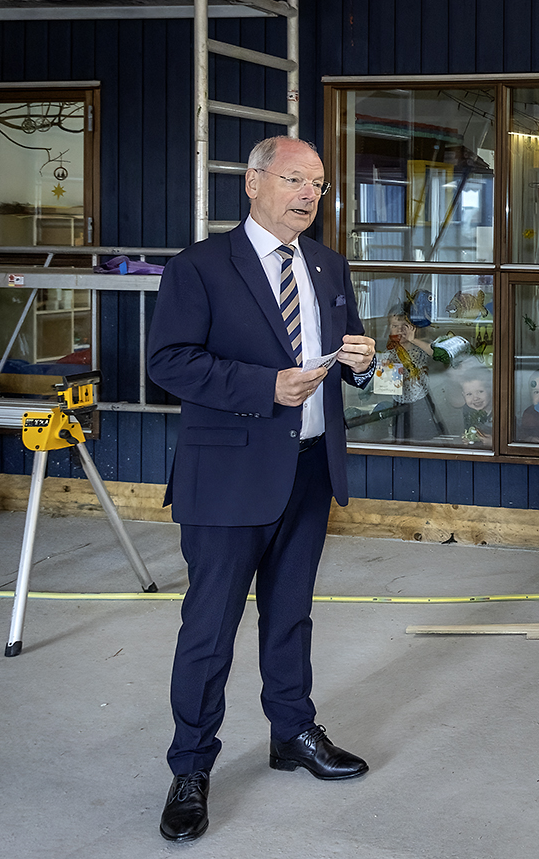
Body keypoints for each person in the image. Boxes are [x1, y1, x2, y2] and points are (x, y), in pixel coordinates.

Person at [146, 136, 378, 842]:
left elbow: (350, 351)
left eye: (319, 185)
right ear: (253, 183)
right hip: (226, 475)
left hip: (308, 468)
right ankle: (190, 768)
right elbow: (170, 362)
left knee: (291, 616)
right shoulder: (200, 267)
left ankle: (292, 734)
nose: (308, 194)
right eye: (294, 179)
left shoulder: (328, 265)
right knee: (210, 629)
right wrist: (263, 387)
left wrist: (363, 363)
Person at [378, 306, 440, 442]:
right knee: (400, 439)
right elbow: (385, 384)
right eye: (395, 326)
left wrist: (413, 340)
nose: (400, 330)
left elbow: (437, 353)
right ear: (389, 328)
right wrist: (383, 371)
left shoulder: (421, 346)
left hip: (421, 401)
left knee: (424, 438)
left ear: (413, 327)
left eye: (405, 326)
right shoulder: (389, 352)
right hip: (398, 402)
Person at [459, 368, 494, 446]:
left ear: (491, 390)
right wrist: (468, 438)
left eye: (480, 391)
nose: (475, 398)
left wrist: (495, 443)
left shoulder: (501, 409)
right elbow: (469, 430)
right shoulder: (467, 410)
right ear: (463, 395)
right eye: (469, 394)